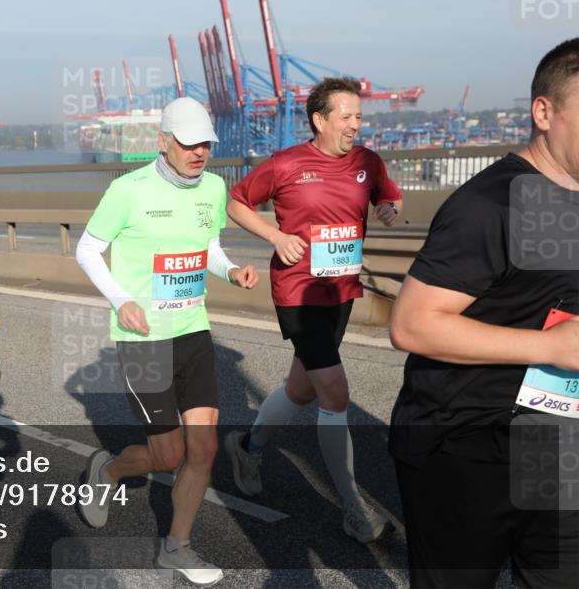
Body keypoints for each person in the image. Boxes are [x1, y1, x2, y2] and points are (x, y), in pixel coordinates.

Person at [388, 39, 579, 587]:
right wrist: (550, 347)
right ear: (544, 112)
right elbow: (412, 324)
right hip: (465, 445)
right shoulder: (491, 203)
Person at [75, 97, 259, 585]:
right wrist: (121, 301)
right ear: (163, 142)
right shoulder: (128, 190)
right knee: (168, 456)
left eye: (206, 144)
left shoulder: (213, 188)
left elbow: (209, 247)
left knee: (204, 449)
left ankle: (176, 547)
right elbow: (88, 249)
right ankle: (107, 472)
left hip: (193, 331)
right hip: (144, 340)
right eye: (189, 143)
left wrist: (230, 271)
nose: (199, 153)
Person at [224, 76, 402, 543]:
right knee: (335, 393)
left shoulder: (367, 162)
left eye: (359, 116)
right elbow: (236, 202)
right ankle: (353, 507)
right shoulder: (286, 164)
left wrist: (389, 207)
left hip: (340, 291)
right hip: (298, 292)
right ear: (319, 120)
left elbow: (388, 193)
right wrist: (276, 236)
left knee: (301, 389)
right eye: (346, 116)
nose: (355, 125)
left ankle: (247, 447)